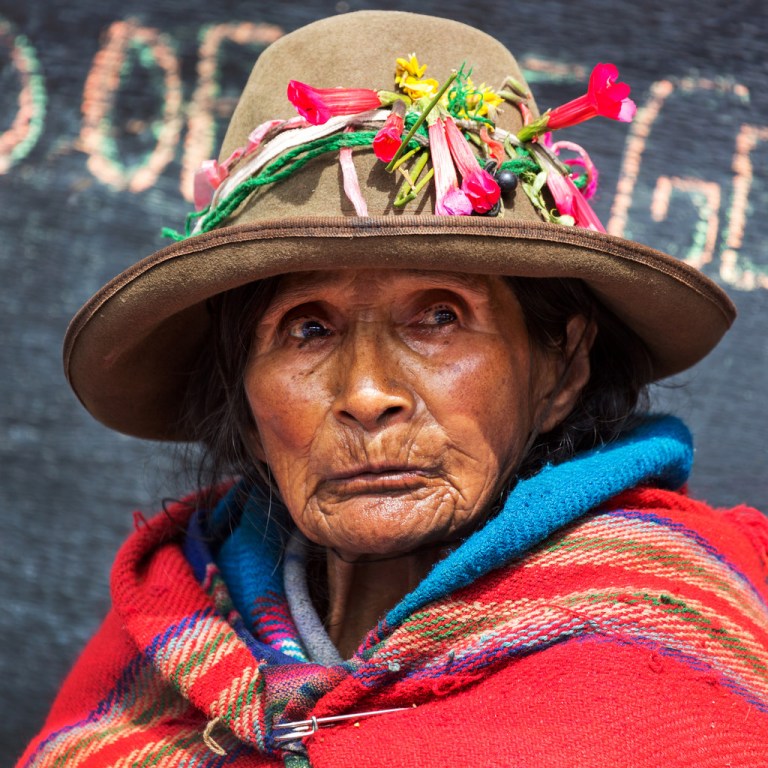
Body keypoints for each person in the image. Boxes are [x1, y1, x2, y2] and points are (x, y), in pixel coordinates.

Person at [18, 10, 768, 768]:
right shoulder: (166, 636)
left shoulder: (662, 660)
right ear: (242, 398)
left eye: (439, 317)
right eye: (307, 329)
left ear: (561, 369)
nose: (368, 393)